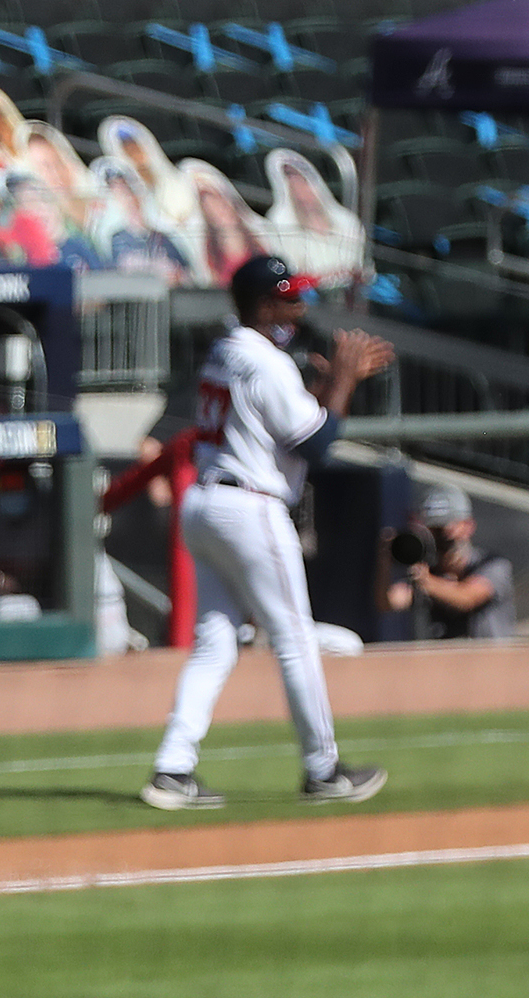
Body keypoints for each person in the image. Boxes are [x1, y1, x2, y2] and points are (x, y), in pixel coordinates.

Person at [144, 257, 394, 810]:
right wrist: (344, 380)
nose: (300, 306)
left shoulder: (227, 349)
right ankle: (324, 769)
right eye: (289, 297)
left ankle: (172, 768)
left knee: (214, 644)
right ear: (263, 306)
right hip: (249, 509)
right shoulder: (266, 361)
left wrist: (328, 384)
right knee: (295, 639)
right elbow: (316, 445)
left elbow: (278, 419)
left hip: (205, 502)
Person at [386, 481, 514, 642]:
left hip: (490, 663)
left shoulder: (493, 564)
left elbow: (467, 598)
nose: (441, 540)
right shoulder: (430, 571)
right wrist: (385, 559)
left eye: (445, 531)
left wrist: (425, 581)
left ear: (468, 526)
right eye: (432, 531)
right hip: (443, 665)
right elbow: (389, 602)